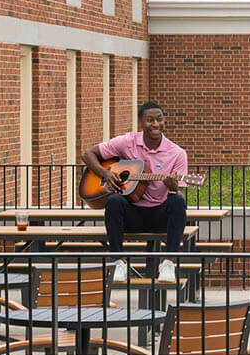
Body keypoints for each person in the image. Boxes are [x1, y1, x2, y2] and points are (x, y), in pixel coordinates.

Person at [83, 101, 194, 260]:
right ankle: (118, 261)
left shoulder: (177, 153)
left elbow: (177, 191)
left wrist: (172, 187)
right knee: (114, 201)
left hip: (159, 216)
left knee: (177, 201)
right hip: (132, 213)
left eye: (159, 119)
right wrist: (105, 173)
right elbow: (88, 154)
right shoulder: (127, 142)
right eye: (150, 120)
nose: (155, 124)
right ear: (141, 122)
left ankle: (169, 262)